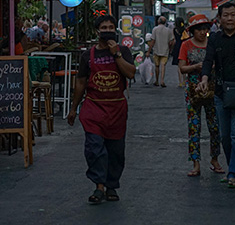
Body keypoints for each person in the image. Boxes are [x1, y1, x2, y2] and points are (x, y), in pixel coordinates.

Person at [67, 15, 136, 204]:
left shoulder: (123, 51)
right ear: (97, 31)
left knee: (115, 151)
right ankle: (99, 186)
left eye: (110, 27)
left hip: (116, 108)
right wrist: (73, 108)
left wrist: (116, 54)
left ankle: (111, 186)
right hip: (93, 107)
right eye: (103, 28)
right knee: (94, 147)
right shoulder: (87, 55)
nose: (107, 31)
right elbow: (80, 82)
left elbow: (130, 73)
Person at [198, 1, 235, 189]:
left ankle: (232, 173)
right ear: (220, 19)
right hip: (221, 93)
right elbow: (208, 60)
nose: (230, 18)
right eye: (226, 15)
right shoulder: (215, 38)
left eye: (233, 15)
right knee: (225, 136)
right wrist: (204, 78)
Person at [178, 14, 223, 177]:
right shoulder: (186, 45)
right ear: (193, 31)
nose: (203, 32)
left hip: (212, 89)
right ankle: (196, 162)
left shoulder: (213, 44)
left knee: (215, 127)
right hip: (193, 91)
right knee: (194, 127)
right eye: (200, 30)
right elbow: (182, 68)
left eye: (205, 29)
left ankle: (215, 159)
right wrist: (196, 67)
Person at [149, 16, 173, 87]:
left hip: (156, 50)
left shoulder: (155, 29)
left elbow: (152, 40)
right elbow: (171, 41)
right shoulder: (168, 30)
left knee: (157, 66)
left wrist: (149, 50)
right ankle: (162, 80)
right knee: (163, 65)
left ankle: (156, 80)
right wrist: (170, 48)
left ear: (158, 21)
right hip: (165, 50)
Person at [171, 18, 187, 87]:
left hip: (177, 47)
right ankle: (185, 81)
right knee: (184, 65)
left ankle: (180, 82)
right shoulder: (185, 30)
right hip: (184, 46)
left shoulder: (175, 30)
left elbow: (174, 40)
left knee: (179, 65)